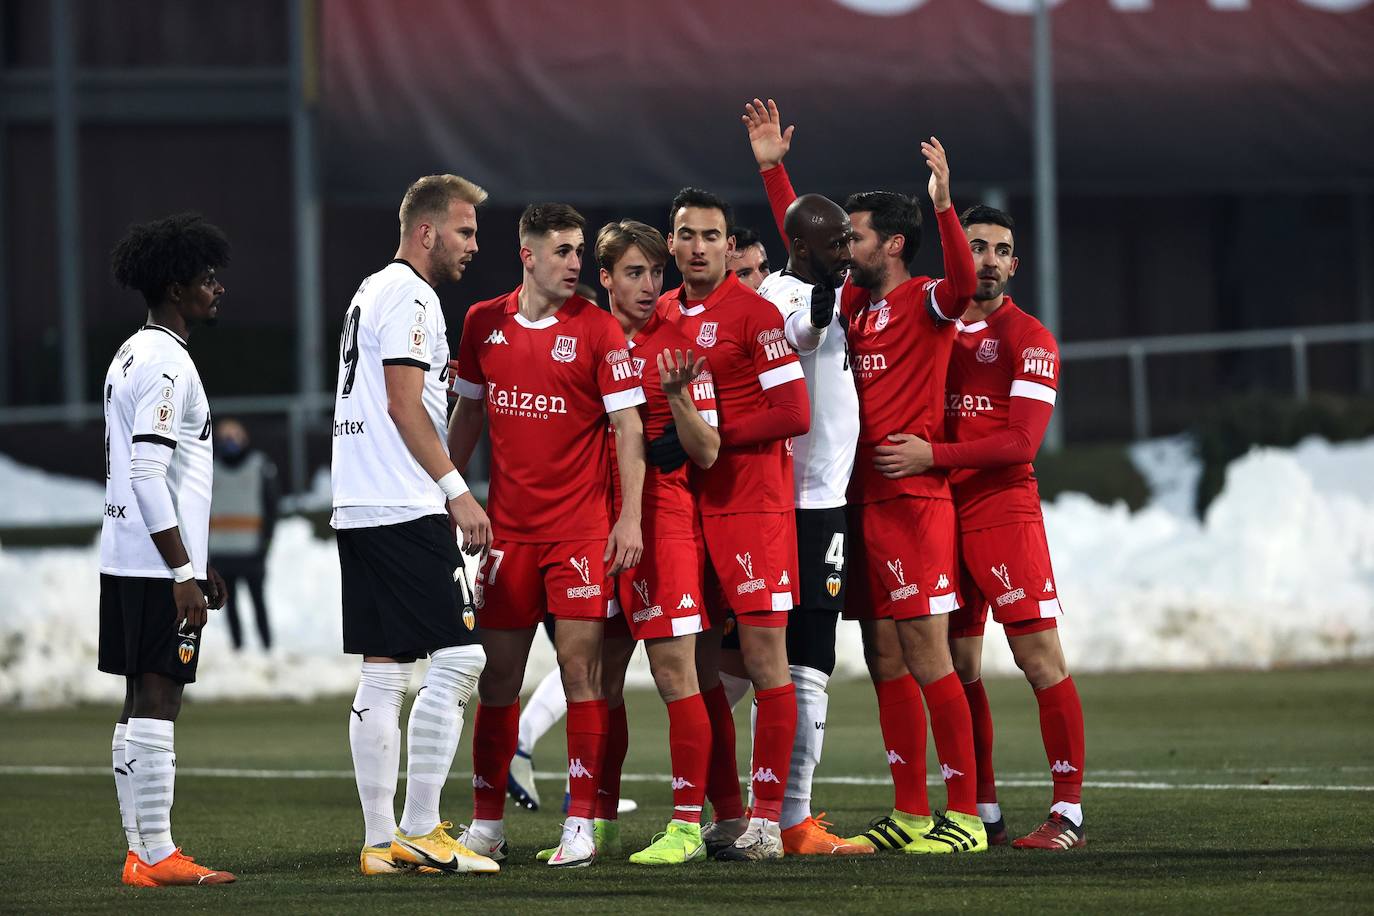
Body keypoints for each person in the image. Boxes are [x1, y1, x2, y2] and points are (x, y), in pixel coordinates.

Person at [748, 97, 987, 854]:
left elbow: (962, 277)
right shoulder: (853, 300)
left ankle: (968, 817)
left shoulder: (929, 301)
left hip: (915, 500)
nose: (844, 245)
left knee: (928, 653)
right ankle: (912, 811)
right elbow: (807, 244)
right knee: (884, 657)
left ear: (894, 244)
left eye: (857, 236)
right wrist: (774, 171)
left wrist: (945, 208)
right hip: (860, 501)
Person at [878, 205, 1087, 850]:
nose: (990, 259)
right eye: (978, 247)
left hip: (1001, 510)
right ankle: (984, 810)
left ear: (1014, 264)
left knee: (1037, 656)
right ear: (959, 257)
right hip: (938, 512)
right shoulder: (933, 326)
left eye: (1001, 249)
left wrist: (930, 457)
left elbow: (1021, 442)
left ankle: (1068, 813)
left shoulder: (1031, 338)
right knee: (959, 664)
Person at [451, 203, 646, 869]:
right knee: (498, 679)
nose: (575, 263)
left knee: (581, 673)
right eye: (562, 250)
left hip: (579, 536)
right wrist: (446, 491)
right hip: (509, 538)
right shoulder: (483, 322)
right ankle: (485, 827)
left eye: (579, 250)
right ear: (527, 254)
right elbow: (468, 416)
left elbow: (628, 430)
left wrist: (628, 519)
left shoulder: (598, 330)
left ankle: (579, 827)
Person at [330, 173, 498, 877]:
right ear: (425, 230)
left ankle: (378, 843)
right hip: (404, 504)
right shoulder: (414, 293)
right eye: (464, 231)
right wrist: (458, 489)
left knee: (385, 667)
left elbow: (394, 391)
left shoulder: (371, 288)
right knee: (462, 658)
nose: (473, 246)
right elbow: (403, 406)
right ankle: (424, 829)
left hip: (359, 501)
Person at [660, 186, 811, 861]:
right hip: (687, 511)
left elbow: (794, 413)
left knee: (763, 659)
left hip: (752, 508)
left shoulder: (755, 316)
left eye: (711, 236)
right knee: (704, 668)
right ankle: (727, 815)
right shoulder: (662, 312)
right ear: (672, 244)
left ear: (728, 245)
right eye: (687, 235)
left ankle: (769, 820)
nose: (698, 247)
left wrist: (716, 437)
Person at [577, 219, 719, 865]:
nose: (649, 285)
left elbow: (709, 450)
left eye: (654, 273)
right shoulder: (581, 335)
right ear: (604, 277)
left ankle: (687, 826)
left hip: (661, 523)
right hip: (587, 522)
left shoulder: (680, 344)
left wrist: (678, 401)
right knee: (598, 678)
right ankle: (597, 821)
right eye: (634, 272)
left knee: (673, 673)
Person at [101, 212, 235, 886]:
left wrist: (196, 554)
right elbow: (151, 473)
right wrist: (182, 570)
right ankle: (156, 853)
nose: (218, 290)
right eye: (208, 280)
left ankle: (141, 851)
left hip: (130, 552)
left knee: (138, 698)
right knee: (160, 695)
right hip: (155, 565)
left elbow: (152, 476)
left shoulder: (131, 351)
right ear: (177, 287)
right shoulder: (165, 364)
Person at [748, 188, 868, 856]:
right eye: (838, 243)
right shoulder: (785, 295)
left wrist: (774, 170)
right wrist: (824, 299)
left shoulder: (814, 272)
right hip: (804, 506)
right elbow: (805, 332)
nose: (848, 251)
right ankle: (791, 818)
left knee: (761, 661)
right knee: (803, 657)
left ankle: (769, 810)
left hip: (815, 499)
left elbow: (810, 232)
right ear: (804, 250)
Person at [209, 418, 279, 651]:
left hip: (251, 552)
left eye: (235, 434)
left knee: (258, 602)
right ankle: (237, 649)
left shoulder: (260, 465)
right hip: (221, 552)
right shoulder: (208, 467)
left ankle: (267, 647)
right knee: (228, 604)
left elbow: (271, 507)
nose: (230, 439)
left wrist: (265, 544)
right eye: (225, 434)